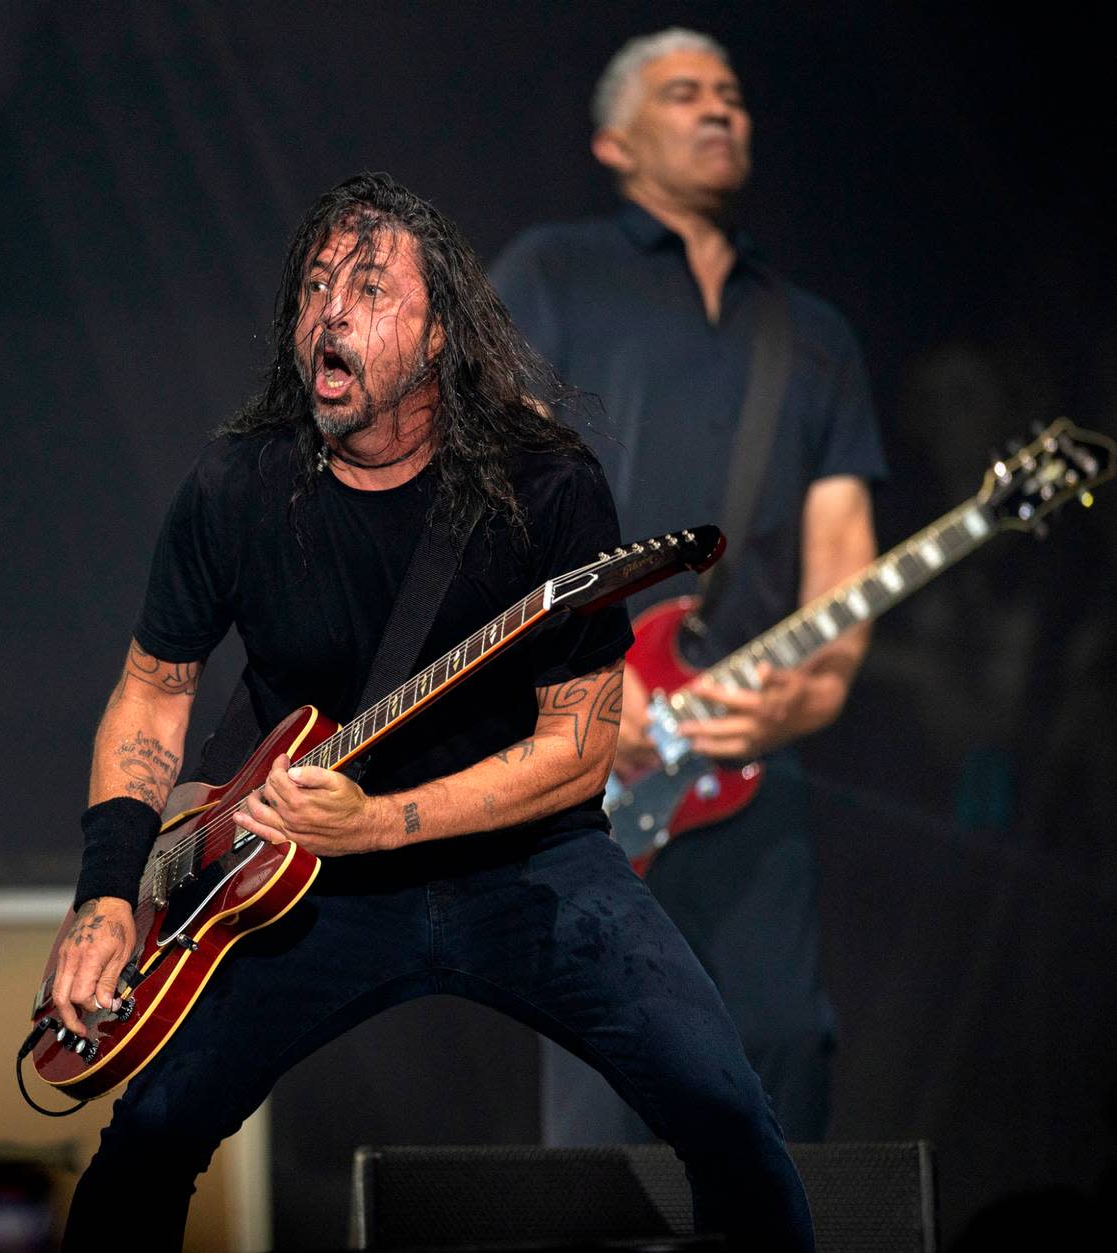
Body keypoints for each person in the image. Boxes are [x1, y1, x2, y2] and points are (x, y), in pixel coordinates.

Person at [50, 172, 813, 1250]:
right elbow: (155, 684)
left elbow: (579, 747)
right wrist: (105, 891)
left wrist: (382, 821)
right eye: (315, 287)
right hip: (301, 880)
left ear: (441, 331)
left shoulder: (545, 487)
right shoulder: (238, 485)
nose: (329, 312)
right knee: (150, 1138)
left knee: (727, 1110)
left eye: (367, 288)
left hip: (530, 863)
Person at [490, 29, 886, 1143]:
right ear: (614, 140)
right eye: (683, 94)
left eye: (731, 93)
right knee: (609, 1059)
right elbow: (494, 496)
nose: (719, 108)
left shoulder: (809, 331)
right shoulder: (551, 271)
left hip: (752, 749)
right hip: (589, 746)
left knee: (782, 1050)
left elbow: (842, 526)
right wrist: (572, 695)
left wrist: (822, 684)